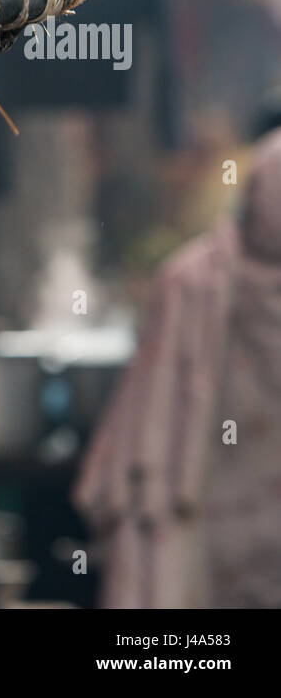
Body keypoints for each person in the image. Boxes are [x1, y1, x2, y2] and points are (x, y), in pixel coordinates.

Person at [73, 126, 281, 608]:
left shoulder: (192, 277)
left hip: (207, 512)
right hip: (212, 516)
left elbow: (141, 420)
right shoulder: (191, 281)